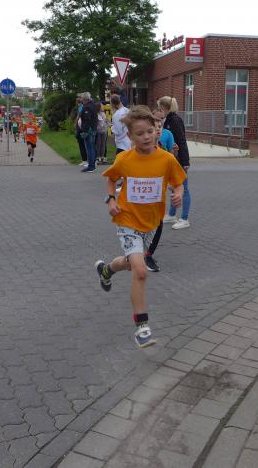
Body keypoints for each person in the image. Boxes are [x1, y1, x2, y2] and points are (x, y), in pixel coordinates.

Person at [95, 106, 187, 348]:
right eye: (139, 133)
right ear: (130, 136)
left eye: (149, 131)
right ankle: (142, 327)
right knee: (141, 270)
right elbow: (111, 179)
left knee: (130, 264)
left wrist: (177, 194)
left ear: (156, 131)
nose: (146, 137)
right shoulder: (124, 159)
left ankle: (107, 270)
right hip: (127, 220)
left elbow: (179, 182)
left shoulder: (166, 159)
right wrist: (111, 200)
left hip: (151, 224)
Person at [144, 115, 176, 272]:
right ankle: (142, 255)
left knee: (158, 225)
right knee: (147, 226)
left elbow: (169, 168)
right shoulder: (142, 149)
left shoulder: (162, 148)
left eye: (160, 127)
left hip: (158, 196)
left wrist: (173, 187)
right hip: (143, 197)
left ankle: (147, 254)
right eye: (155, 127)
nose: (158, 130)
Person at [159, 96, 191, 229]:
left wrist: (185, 161)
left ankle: (184, 218)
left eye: (160, 108)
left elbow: (181, 140)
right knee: (173, 186)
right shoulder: (169, 119)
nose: (159, 111)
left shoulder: (174, 120)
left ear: (164, 107)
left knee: (184, 188)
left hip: (180, 160)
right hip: (174, 159)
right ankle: (172, 215)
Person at [79, 92, 99, 172]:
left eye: (82, 99)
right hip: (93, 129)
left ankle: (91, 166)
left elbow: (87, 120)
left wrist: (84, 130)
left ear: (85, 99)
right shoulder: (93, 105)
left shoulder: (87, 107)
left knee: (89, 148)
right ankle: (92, 164)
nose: (81, 100)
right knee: (92, 147)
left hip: (89, 130)